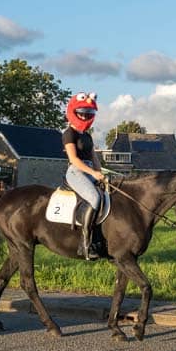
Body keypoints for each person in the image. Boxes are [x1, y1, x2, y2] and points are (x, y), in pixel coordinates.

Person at [63, 92, 104, 260]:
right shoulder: (69, 134)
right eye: (82, 113)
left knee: (108, 196)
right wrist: (93, 173)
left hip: (89, 171)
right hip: (76, 172)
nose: (85, 116)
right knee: (94, 198)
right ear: (74, 112)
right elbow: (74, 160)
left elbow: (94, 158)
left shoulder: (87, 136)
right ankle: (85, 244)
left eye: (88, 114)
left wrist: (101, 172)